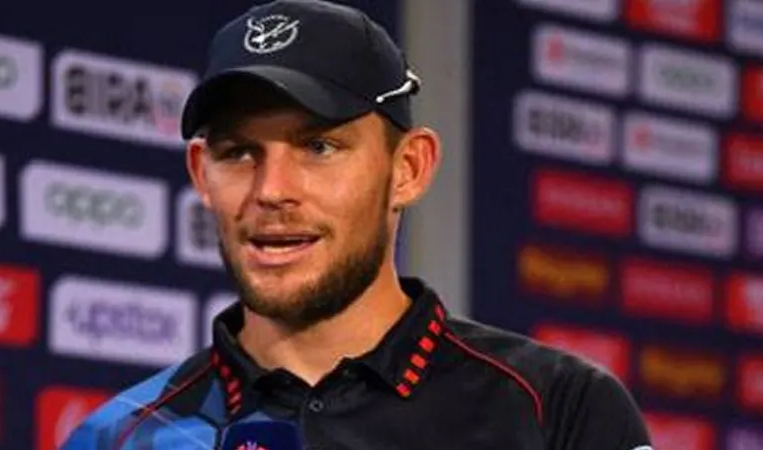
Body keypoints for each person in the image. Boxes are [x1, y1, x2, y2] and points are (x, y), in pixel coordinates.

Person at [61, 0, 653, 449]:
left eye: (318, 147)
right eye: (239, 153)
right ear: (201, 173)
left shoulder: (559, 411)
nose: (271, 191)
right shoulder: (116, 439)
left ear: (409, 169)